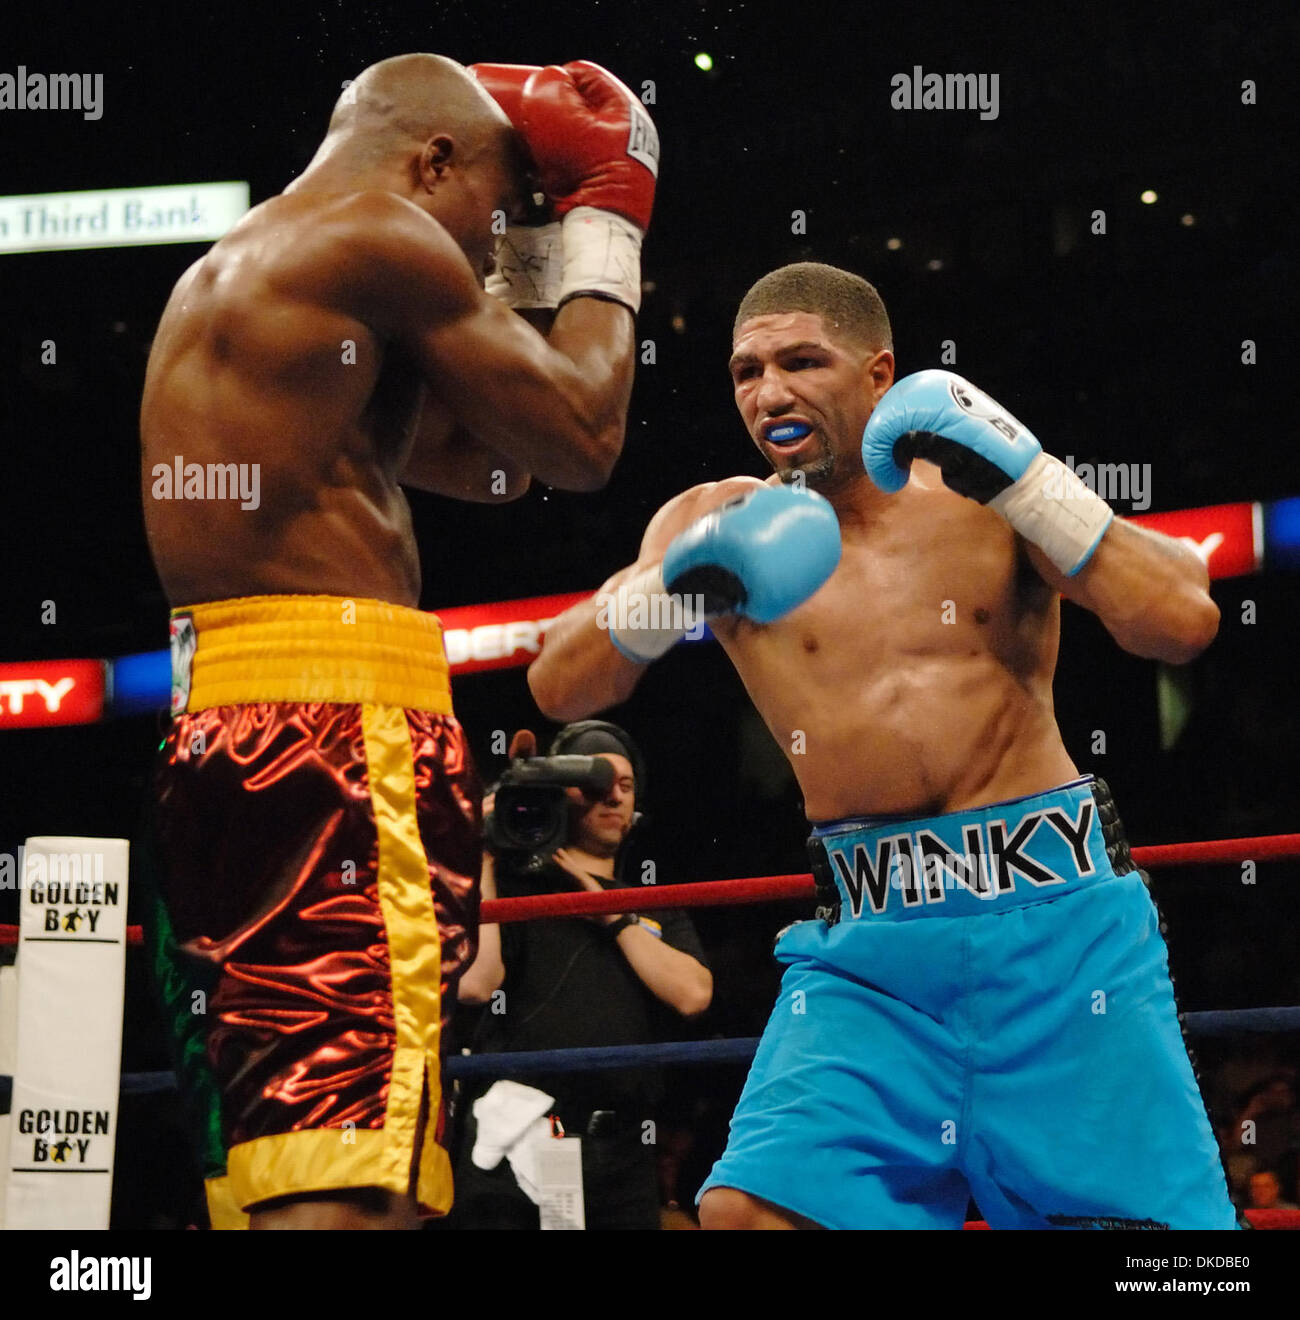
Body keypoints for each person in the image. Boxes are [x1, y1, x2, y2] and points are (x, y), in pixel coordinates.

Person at [527, 261, 1239, 1229]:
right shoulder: (711, 521)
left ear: (879, 372)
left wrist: (1032, 484)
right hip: (870, 959)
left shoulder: (985, 492)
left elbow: (1180, 619)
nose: (769, 392)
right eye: (746, 372)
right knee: (749, 1214)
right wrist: (669, 594)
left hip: (1061, 935)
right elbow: (561, 686)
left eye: (800, 361)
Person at [138, 53, 657, 1229]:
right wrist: (605, 217)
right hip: (331, 735)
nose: (485, 245)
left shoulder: (254, 272)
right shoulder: (383, 230)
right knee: (357, 1173)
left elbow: (500, 455)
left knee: (300, 1145)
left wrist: (528, 243)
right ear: (430, 161)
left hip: (225, 730)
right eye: (490, 208)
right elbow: (582, 436)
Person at [452, 722, 712, 1228]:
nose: (613, 797)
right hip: (521, 1143)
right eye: (596, 784)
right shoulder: (515, 889)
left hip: (623, 1156)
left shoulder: (651, 905)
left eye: (626, 785)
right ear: (560, 797)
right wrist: (480, 852)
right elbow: (477, 984)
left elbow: (694, 994)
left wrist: (610, 913)